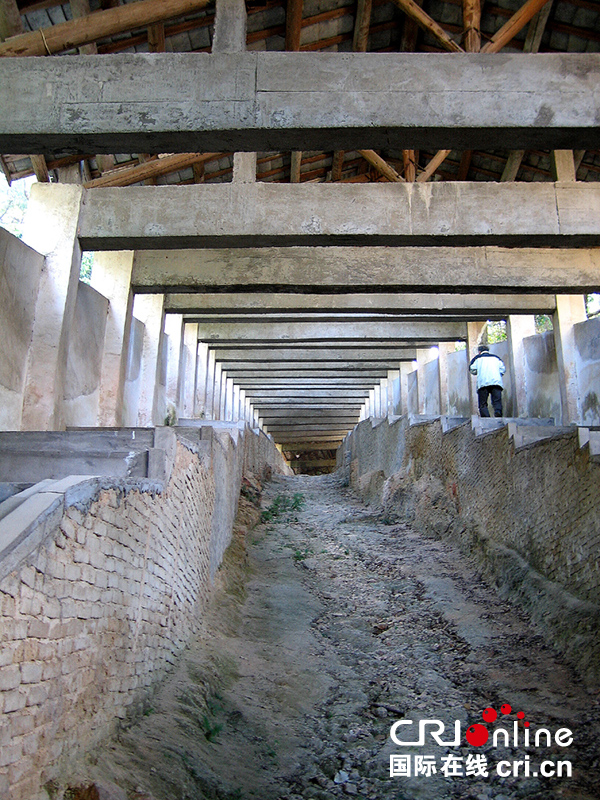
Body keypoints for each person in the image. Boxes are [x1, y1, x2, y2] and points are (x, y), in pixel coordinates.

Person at [469, 344, 506, 418]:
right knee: (497, 400)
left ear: (479, 351)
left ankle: (486, 418)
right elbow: (502, 369)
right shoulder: (496, 358)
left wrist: (478, 371)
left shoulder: (477, 358)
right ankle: (498, 412)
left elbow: (472, 369)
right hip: (496, 382)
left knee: (483, 403)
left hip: (483, 382)